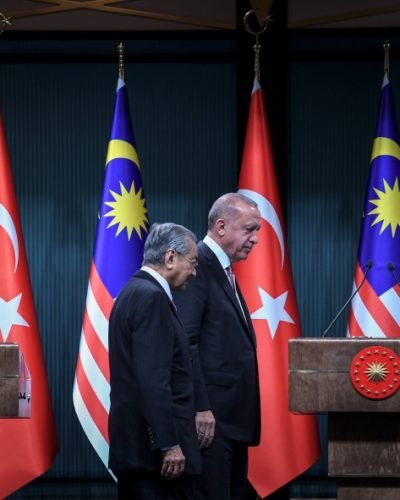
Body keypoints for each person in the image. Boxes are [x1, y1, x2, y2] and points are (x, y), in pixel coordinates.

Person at [173, 192, 262, 500]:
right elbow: (187, 341)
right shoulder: (198, 267)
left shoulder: (223, 270)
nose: (255, 239)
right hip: (210, 422)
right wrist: (200, 406)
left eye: (257, 232)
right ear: (222, 226)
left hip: (233, 420)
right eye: (249, 229)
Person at [108, 222, 201, 500]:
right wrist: (168, 444)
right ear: (170, 257)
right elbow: (153, 380)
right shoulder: (152, 298)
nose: (195, 272)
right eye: (193, 262)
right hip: (153, 458)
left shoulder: (131, 292)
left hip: (135, 447)